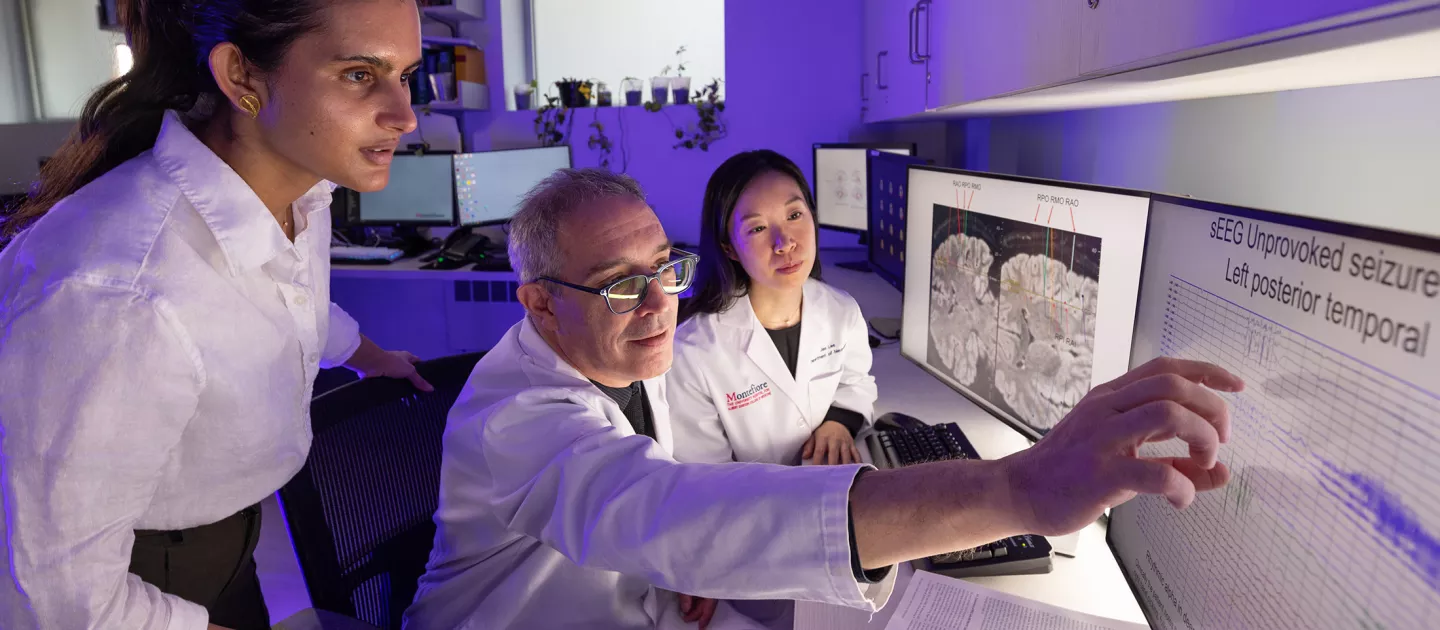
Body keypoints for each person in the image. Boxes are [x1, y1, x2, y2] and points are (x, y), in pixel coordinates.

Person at [404, 168, 1243, 629]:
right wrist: (1017, 487)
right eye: (622, 287)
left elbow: (685, 486)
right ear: (540, 302)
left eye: (666, 267)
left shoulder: (626, 350)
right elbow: (658, 506)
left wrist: (698, 560)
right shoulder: (512, 418)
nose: (662, 304)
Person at [0, 1, 432, 629]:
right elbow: (60, 601)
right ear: (242, 78)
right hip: (136, 576)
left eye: (406, 75)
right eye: (359, 75)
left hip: (234, 544)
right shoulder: (120, 296)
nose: (406, 117)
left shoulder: (299, 191)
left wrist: (373, 358)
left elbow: (286, 300)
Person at [671, 150, 875, 468]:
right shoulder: (694, 350)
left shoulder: (842, 312)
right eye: (757, 229)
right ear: (729, 249)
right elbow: (706, 478)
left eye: (794, 216)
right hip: (753, 510)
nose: (784, 243)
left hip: (834, 486)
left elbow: (856, 382)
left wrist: (839, 423)